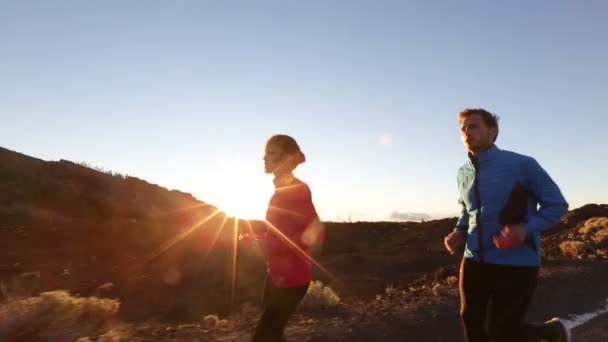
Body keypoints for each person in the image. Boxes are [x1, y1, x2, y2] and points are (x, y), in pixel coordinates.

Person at [443, 108, 570, 342]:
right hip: (474, 259)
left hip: (517, 261)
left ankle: (553, 331)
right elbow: (466, 209)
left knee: (502, 331)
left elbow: (557, 205)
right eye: (463, 129)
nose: (466, 132)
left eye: (473, 126)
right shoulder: (463, 172)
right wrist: (459, 231)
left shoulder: (522, 165)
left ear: (493, 132)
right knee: (472, 323)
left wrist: (524, 229)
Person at [246, 134, 324, 342]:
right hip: (275, 275)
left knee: (264, 336)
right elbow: (282, 231)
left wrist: (263, 244)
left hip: (293, 279)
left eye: (271, 153)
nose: (264, 158)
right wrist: (255, 238)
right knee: (273, 333)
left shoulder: (298, 190)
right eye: (265, 153)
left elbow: (311, 233)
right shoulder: (281, 189)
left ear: (288, 158)